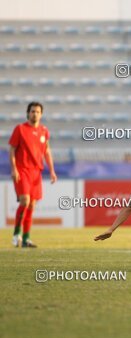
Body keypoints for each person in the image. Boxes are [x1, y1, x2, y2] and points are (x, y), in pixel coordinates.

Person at [9, 102, 57, 248]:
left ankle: (26, 238)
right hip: (22, 170)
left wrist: (52, 170)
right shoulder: (20, 129)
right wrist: (14, 169)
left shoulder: (44, 131)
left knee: (32, 205)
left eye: (37, 112)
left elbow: (47, 151)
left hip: (37, 172)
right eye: (32, 111)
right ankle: (16, 233)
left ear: (41, 114)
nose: (34, 114)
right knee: (25, 201)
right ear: (28, 113)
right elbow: (12, 150)